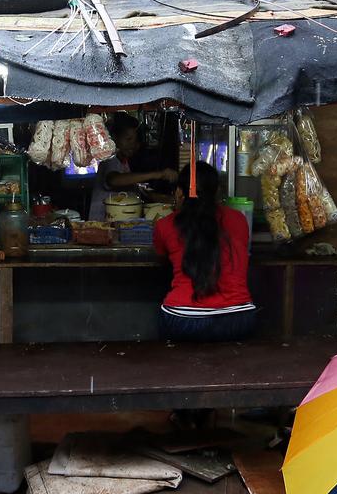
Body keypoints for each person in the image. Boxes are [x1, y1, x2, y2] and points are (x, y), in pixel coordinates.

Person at [153, 161, 256, 342]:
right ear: (216, 192)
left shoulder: (165, 225)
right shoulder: (239, 219)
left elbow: (161, 256)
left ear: (179, 192)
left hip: (183, 318)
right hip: (238, 317)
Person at [88, 113, 177, 221]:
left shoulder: (124, 162)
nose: (133, 145)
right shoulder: (110, 159)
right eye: (128, 139)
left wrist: (157, 197)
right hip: (103, 224)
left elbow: (132, 189)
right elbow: (114, 180)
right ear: (115, 138)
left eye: (136, 141)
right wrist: (158, 174)